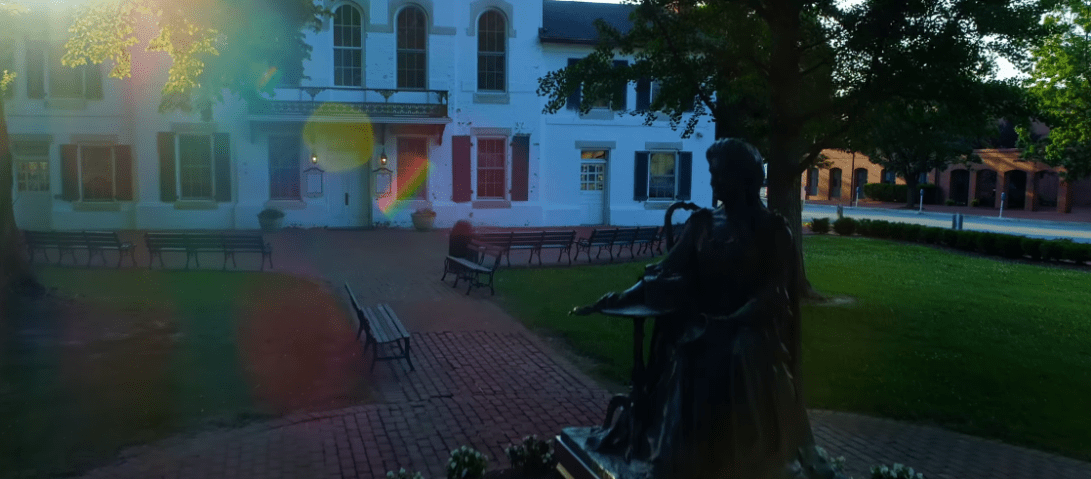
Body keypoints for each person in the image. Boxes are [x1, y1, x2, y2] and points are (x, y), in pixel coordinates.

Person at [571, 138, 842, 479]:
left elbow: (774, 295)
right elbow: (664, 272)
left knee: (730, 354)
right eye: (712, 174)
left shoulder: (772, 232)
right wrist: (619, 297)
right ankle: (675, 457)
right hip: (701, 325)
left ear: (743, 178)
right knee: (685, 350)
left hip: (750, 329)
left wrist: (730, 321)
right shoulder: (702, 224)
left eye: (719, 174)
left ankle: (736, 462)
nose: (712, 182)